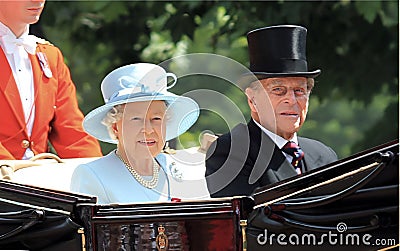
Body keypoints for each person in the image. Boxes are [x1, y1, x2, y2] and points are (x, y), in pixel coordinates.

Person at [206, 25, 338, 197]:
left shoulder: (324, 155)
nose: (291, 100)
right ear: (252, 100)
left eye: (299, 91)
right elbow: (252, 219)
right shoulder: (231, 152)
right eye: (278, 90)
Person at [70, 63, 210, 204]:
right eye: (136, 119)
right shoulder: (92, 175)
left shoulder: (182, 170)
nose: (148, 129)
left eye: (156, 119)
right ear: (115, 127)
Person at [0, 0, 102, 160]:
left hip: (37, 179)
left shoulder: (50, 56)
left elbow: (73, 135)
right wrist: (16, 177)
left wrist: (98, 175)